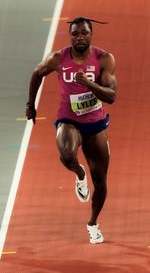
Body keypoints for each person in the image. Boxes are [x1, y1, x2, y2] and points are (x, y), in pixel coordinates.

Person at [26, 17, 117, 243]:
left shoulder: (104, 59)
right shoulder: (59, 58)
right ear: (70, 36)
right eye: (75, 34)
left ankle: (93, 223)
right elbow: (37, 73)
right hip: (69, 119)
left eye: (84, 33)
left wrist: (89, 84)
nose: (79, 38)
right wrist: (31, 104)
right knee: (66, 155)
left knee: (102, 182)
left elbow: (111, 96)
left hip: (95, 124)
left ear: (91, 34)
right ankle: (79, 174)